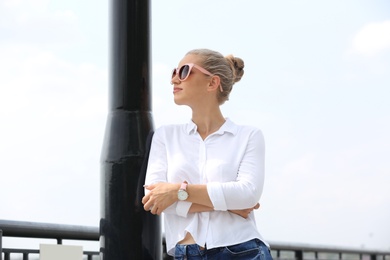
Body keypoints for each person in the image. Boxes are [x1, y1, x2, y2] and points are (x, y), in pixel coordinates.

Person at [142, 48, 272, 259]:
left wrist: (177, 191)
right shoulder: (166, 136)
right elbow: (154, 198)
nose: (175, 79)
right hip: (186, 253)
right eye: (174, 72)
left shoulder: (248, 136)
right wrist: (228, 206)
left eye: (184, 71)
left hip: (243, 250)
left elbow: (248, 194)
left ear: (212, 83)